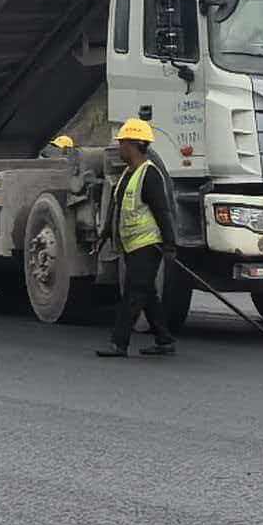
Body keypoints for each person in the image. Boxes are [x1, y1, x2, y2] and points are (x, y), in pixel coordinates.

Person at [96, 118, 186, 358]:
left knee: (133, 293)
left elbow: (163, 211)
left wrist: (169, 244)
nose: (119, 148)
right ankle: (164, 340)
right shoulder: (128, 174)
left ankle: (119, 343)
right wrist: (105, 233)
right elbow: (117, 207)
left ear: (135, 145)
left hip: (148, 245)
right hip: (131, 244)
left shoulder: (150, 175)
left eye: (122, 143)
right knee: (147, 293)